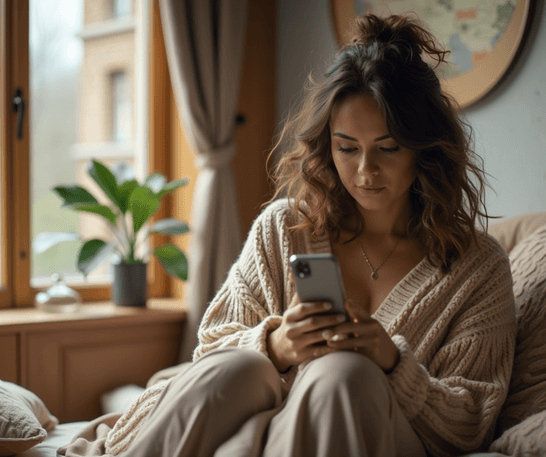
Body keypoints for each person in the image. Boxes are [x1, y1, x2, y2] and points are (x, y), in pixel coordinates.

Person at [114, 13, 516, 457]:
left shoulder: (477, 266)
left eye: (388, 148)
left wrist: (394, 364)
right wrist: (276, 345)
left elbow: (472, 422)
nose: (365, 171)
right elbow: (210, 349)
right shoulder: (285, 227)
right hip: (267, 427)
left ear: (423, 147)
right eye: (347, 148)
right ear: (327, 145)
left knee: (346, 373)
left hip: (378, 434)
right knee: (243, 366)